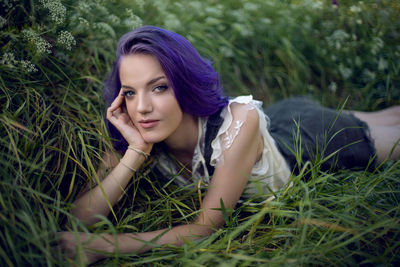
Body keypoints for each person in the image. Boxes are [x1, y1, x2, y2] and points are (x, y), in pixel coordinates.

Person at [57, 26, 400, 264]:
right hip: (281, 119)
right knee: (384, 114)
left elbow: (206, 226)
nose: (142, 107)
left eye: (159, 87)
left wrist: (104, 246)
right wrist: (134, 153)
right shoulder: (135, 129)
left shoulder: (241, 119)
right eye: (130, 92)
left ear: (185, 83)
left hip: (312, 140)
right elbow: (78, 220)